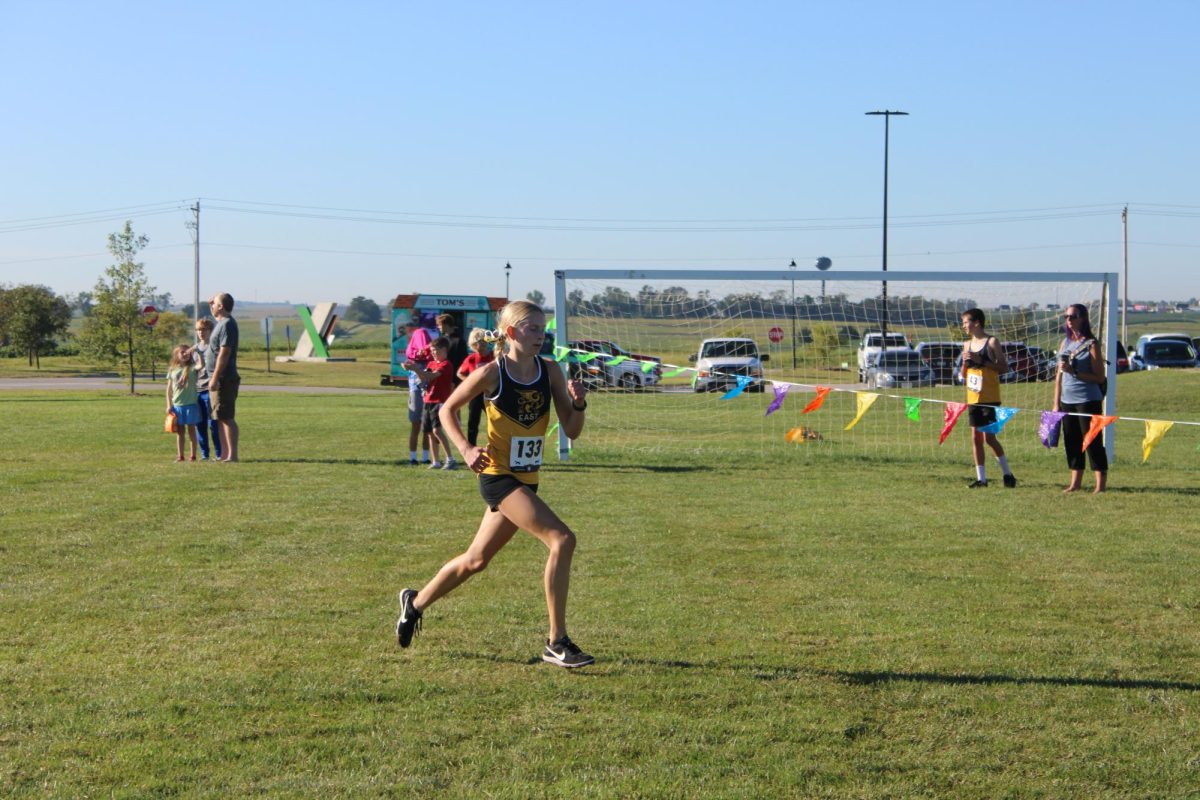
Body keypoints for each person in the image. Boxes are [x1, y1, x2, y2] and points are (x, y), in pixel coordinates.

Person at [396, 301, 594, 668]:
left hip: (526, 480)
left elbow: (572, 431)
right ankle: (557, 641)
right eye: (534, 328)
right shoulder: (491, 373)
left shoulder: (549, 370)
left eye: (543, 328)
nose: (542, 335)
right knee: (562, 539)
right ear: (513, 332)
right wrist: (467, 449)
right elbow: (446, 410)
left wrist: (578, 405)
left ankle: (415, 602)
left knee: (475, 561)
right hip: (497, 477)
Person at [1053, 303, 1108, 494]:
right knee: (1072, 441)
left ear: (1083, 318)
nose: (1069, 320)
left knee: (1092, 441)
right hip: (1067, 400)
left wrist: (1074, 371)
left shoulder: (1092, 344)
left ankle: (1100, 485)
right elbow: (1058, 376)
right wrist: (1056, 403)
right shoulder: (1064, 343)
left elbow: (1099, 377)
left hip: (1087, 399)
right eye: (1066, 317)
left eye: (1072, 316)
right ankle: (1075, 483)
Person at [960, 308, 1017, 488]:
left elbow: (1004, 368)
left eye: (965, 322)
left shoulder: (992, 342)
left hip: (990, 397)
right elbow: (964, 374)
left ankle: (1007, 474)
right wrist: (965, 362)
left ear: (977, 323)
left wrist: (982, 360)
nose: (963, 326)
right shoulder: (966, 345)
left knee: (989, 439)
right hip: (973, 397)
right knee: (975, 438)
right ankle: (981, 479)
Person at [403, 337, 458, 470]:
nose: (433, 353)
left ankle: (450, 459)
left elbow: (431, 376)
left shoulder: (446, 365)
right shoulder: (431, 364)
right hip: (428, 400)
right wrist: (413, 369)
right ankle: (436, 461)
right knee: (429, 432)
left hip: (439, 401)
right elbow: (424, 378)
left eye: (436, 350)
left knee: (437, 430)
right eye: (432, 350)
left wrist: (415, 369)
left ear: (444, 350)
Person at [208, 293, 240, 462]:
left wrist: (215, 378)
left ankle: (232, 455)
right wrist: (211, 304)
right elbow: (215, 312)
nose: (212, 305)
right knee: (219, 417)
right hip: (218, 378)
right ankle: (225, 454)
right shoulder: (220, 323)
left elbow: (224, 353)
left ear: (221, 306)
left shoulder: (227, 324)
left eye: (215, 303)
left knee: (227, 417)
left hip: (224, 379)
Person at [456, 327, 495, 446]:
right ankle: (471, 447)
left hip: (491, 394)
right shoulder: (471, 358)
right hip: (476, 395)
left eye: (485, 342)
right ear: (473, 344)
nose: (483, 345)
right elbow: (459, 373)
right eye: (479, 342)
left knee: (494, 420)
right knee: (473, 422)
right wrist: (470, 381)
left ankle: (496, 445)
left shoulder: (493, 356)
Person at [403, 317, 433, 465]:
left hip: (419, 384)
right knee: (421, 423)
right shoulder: (416, 337)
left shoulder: (420, 332)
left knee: (421, 423)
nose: (406, 331)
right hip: (416, 384)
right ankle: (418, 457)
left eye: (407, 327)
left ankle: (421, 457)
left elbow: (423, 351)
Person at [166, 344, 201, 462]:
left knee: (192, 430)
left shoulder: (192, 367)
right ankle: (180, 456)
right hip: (177, 406)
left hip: (191, 404)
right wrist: (168, 405)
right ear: (176, 355)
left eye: (187, 352)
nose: (185, 354)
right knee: (180, 432)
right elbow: (169, 390)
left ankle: (193, 456)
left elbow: (201, 365)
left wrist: (199, 352)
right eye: (182, 352)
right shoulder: (172, 370)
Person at [193, 318, 221, 461]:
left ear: (210, 331)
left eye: (204, 329)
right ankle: (204, 455)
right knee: (200, 425)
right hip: (197, 390)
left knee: (213, 424)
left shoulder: (214, 347)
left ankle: (219, 454)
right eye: (198, 330)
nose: (201, 332)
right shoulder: (195, 349)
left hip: (211, 390)